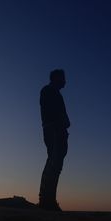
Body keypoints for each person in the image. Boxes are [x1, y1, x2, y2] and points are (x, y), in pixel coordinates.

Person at [38, 69, 70, 211]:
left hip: (58, 131)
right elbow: (52, 113)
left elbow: (62, 116)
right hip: (54, 131)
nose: (65, 81)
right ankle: (46, 200)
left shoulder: (56, 93)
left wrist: (65, 124)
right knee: (53, 163)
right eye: (63, 78)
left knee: (56, 165)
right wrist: (59, 125)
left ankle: (49, 200)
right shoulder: (47, 91)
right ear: (56, 78)